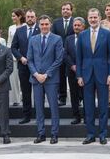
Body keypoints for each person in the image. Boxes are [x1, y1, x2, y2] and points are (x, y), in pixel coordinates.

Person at [77, 8, 110, 145]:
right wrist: (79, 76)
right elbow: (79, 58)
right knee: (88, 106)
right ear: (88, 19)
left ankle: (103, 134)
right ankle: (90, 134)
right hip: (87, 75)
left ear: (100, 18)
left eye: (95, 17)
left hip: (103, 74)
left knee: (103, 106)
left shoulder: (107, 34)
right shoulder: (82, 35)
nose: (93, 20)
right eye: (91, 17)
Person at [27, 15, 64, 144]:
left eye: (46, 24)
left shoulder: (57, 39)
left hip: (51, 79)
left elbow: (59, 59)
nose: (44, 27)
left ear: (50, 25)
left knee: (54, 107)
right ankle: (41, 133)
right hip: (36, 79)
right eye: (42, 24)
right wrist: (36, 74)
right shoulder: (33, 40)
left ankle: (54, 134)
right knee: (39, 108)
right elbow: (30, 59)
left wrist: (46, 74)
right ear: (39, 25)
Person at [11, 9, 40, 124]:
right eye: (28, 17)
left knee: (38, 92)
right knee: (26, 91)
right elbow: (13, 47)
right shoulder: (20, 31)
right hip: (23, 65)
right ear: (25, 17)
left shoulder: (40, 29)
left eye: (32, 17)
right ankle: (26, 116)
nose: (30, 19)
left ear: (35, 18)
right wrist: (20, 57)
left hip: (38, 67)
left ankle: (39, 115)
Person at [52, 2, 75, 106]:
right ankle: (62, 98)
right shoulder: (56, 23)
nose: (65, 11)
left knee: (74, 76)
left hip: (72, 55)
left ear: (71, 10)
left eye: (67, 9)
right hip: (59, 54)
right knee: (61, 76)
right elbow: (53, 37)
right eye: (63, 9)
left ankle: (77, 98)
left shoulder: (76, 22)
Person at [64, 17, 86, 125]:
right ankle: (76, 116)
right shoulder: (68, 39)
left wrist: (81, 67)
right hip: (72, 72)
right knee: (74, 95)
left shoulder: (87, 37)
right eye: (75, 25)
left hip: (85, 71)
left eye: (78, 25)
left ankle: (87, 116)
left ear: (83, 26)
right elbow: (66, 54)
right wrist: (72, 65)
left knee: (86, 94)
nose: (76, 27)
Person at [7, 8, 25, 106]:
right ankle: (16, 100)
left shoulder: (26, 26)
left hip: (24, 57)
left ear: (20, 16)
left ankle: (27, 99)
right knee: (14, 79)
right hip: (13, 57)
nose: (12, 17)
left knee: (24, 79)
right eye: (12, 16)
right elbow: (9, 43)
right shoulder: (11, 28)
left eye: (14, 16)